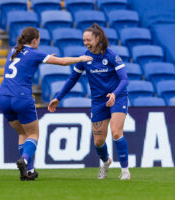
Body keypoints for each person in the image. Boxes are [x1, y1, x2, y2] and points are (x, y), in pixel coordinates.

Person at [0, 27, 93, 181]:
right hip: (21, 97)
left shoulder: (13, 50)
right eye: (39, 39)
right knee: (33, 134)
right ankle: (26, 160)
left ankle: (29, 171)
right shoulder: (35, 53)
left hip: (3, 96)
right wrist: (80, 59)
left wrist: (46, 56)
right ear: (35, 40)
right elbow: (62, 62)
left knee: (22, 133)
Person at [48, 23, 130, 180]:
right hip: (98, 101)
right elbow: (72, 79)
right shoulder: (84, 58)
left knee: (116, 132)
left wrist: (114, 93)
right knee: (98, 142)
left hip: (117, 97)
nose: (86, 43)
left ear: (98, 38)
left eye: (88, 40)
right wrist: (58, 97)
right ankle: (106, 163)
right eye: (84, 40)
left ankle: (125, 171)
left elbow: (124, 80)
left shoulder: (112, 56)